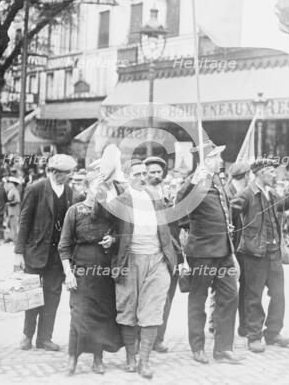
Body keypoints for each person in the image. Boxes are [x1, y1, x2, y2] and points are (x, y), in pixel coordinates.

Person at [97, 159, 176, 379]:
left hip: (157, 260)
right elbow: (105, 218)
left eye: (144, 174)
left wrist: (179, 257)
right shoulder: (120, 201)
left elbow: (167, 231)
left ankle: (144, 361)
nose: (143, 178)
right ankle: (130, 357)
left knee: (152, 311)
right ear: (127, 177)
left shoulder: (156, 199)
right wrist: (110, 238)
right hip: (129, 261)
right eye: (137, 174)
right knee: (128, 309)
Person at [176, 141, 242, 365]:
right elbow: (179, 205)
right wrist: (194, 179)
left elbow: (224, 209)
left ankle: (223, 348)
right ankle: (198, 347)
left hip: (223, 251)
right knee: (198, 299)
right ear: (205, 160)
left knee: (230, 296)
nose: (220, 161)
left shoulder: (217, 180)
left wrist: (227, 226)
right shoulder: (195, 183)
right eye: (215, 157)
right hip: (202, 253)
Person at [231, 158, 289, 353]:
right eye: (271, 171)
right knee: (253, 295)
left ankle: (273, 332)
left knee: (278, 294)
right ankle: (254, 336)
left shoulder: (271, 193)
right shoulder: (246, 194)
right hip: (254, 254)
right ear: (260, 173)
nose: (274, 174)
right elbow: (231, 212)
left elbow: (286, 203)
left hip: (273, 253)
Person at [59, 170, 122, 376]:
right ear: (85, 188)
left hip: (103, 271)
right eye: (96, 186)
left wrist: (112, 240)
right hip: (81, 270)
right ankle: (72, 359)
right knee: (79, 314)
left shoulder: (109, 212)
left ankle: (98, 358)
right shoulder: (74, 211)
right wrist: (68, 273)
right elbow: (64, 245)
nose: (100, 191)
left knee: (101, 314)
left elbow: (119, 234)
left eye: (103, 187)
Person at [15, 154, 76, 352]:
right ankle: (27, 335)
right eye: (68, 173)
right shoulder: (36, 189)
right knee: (32, 295)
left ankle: (45, 338)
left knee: (52, 297)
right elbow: (23, 221)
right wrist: (19, 252)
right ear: (56, 173)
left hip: (57, 256)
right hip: (36, 252)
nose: (70, 176)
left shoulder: (69, 192)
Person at [144, 156, 181, 354]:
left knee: (168, 297)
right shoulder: (141, 194)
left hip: (171, 250)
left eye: (159, 172)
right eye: (152, 172)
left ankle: (159, 338)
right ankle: (145, 339)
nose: (156, 176)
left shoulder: (169, 193)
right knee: (151, 297)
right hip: (150, 251)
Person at [5, 176, 22, 244]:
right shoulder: (11, 190)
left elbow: (18, 200)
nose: (8, 184)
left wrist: (9, 203)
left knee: (14, 226)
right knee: (11, 225)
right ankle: (12, 239)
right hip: (11, 211)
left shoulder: (14, 191)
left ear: (13, 184)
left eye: (10, 183)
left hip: (14, 211)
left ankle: (15, 241)